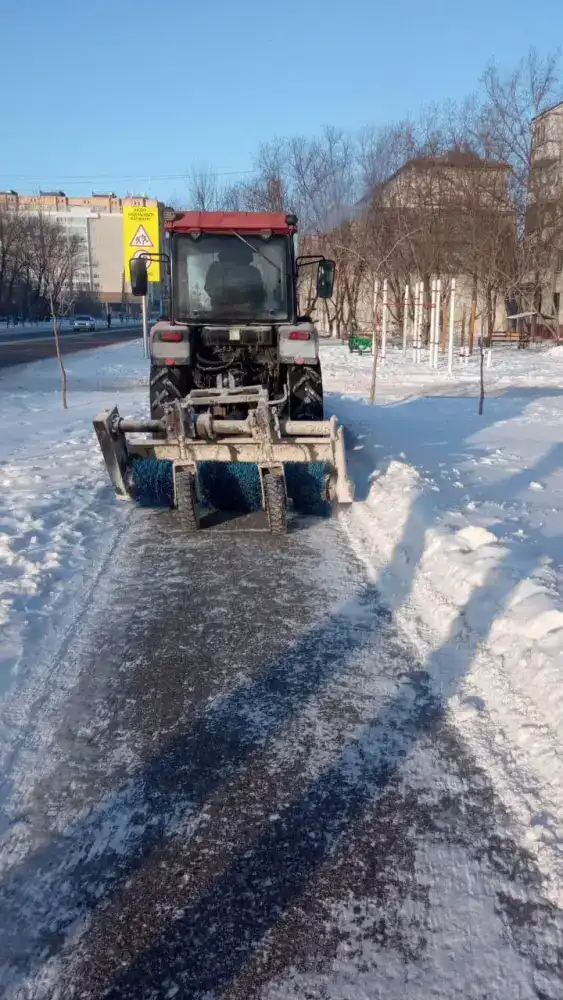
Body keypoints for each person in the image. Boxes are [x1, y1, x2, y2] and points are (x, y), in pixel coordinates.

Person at [204, 241, 266, 313]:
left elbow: (259, 297)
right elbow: (210, 290)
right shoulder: (216, 269)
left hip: (247, 314)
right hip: (221, 314)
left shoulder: (253, 271)